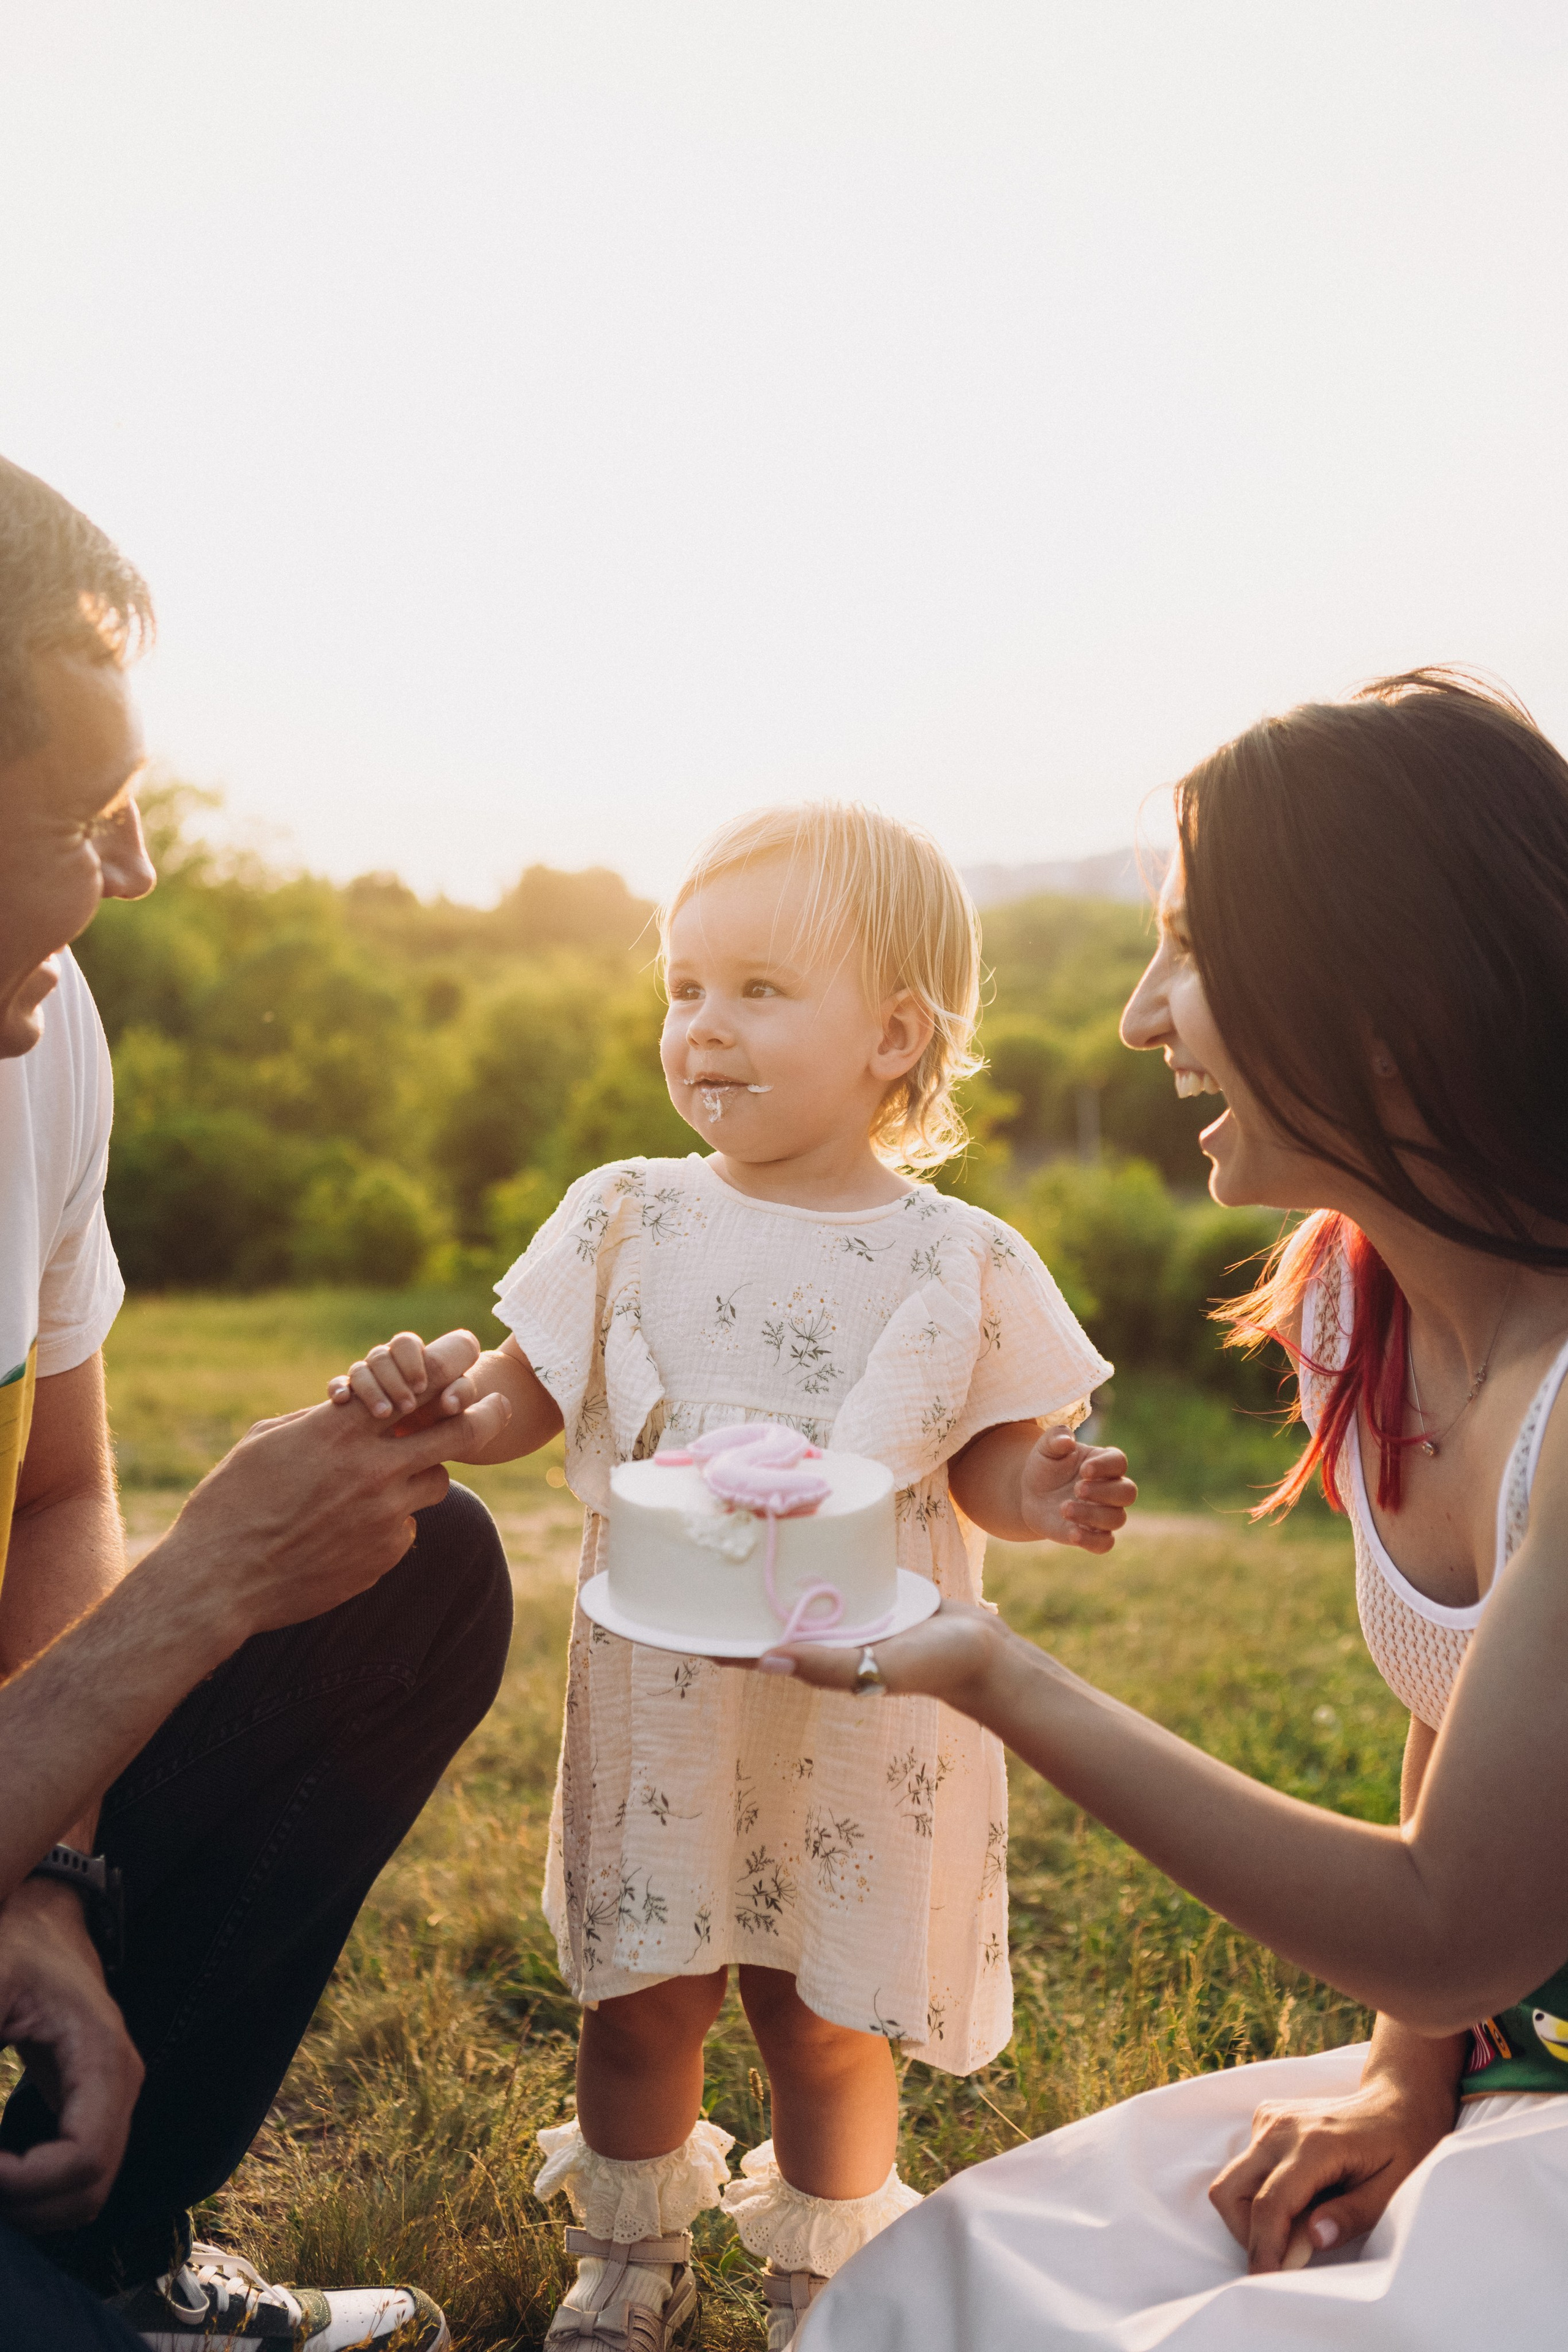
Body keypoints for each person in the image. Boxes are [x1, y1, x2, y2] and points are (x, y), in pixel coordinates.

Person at [767, 671, 1568, 2348]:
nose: (1140, 1017)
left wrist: (992, 1670)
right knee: (931, 2298)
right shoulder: (1360, 1304)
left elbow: (1451, 1925)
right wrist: (1400, 2075)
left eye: (1191, 952)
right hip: (1506, 2068)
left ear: (1383, 997)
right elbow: (1461, 1714)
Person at [333, 802, 1137, 2348]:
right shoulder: (626, 1213)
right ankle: (630, 2254)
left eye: (759, 990)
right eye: (684, 987)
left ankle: (820, 2275)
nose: (703, 1025)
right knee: (642, 1991)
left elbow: (981, 1455)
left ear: (892, 1033)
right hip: (666, 1689)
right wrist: (449, 1408)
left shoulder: (953, 1256)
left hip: (857, 1700)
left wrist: (1039, 1490)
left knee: (823, 2013)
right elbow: (525, 1389)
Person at [0, 452, 518, 2352]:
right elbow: (149, 1571)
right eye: (85, 820)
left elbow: (57, 1498)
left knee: (410, 1571)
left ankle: (101, 2253)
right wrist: (206, 1581)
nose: (139, 871)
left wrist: (48, 1883)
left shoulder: (42, 1036)